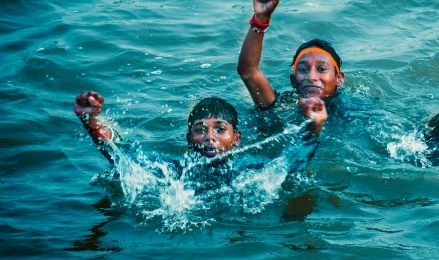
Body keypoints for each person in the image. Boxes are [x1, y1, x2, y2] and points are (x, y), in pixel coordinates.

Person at [73, 90, 327, 183]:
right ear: (188, 138)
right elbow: (123, 153)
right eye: (200, 129)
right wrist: (90, 121)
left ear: (236, 138)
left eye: (219, 129)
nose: (209, 137)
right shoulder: (172, 170)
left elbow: (287, 166)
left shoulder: (247, 172)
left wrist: (313, 127)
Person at [237, 0, 344, 110]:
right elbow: (248, 72)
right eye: (303, 69)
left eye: (321, 69)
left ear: (339, 79)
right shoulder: (281, 106)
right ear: (293, 81)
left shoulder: (356, 111)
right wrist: (261, 20)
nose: (311, 77)